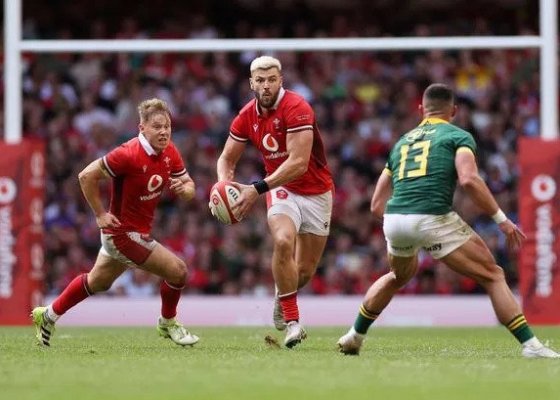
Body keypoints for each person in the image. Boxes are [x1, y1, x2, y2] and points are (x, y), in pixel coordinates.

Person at [337, 83, 559, 358]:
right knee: (493, 275)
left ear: (421, 109)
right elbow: (469, 179)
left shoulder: (401, 143)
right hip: (431, 215)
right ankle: (531, 346)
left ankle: (354, 335)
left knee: (397, 276)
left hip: (394, 219)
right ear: (453, 111)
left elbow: (375, 205)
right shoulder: (457, 136)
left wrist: (407, 221)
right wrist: (501, 219)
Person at [32, 98, 199, 347]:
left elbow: (189, 186)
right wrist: (99, 214)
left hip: (133, 232)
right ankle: (168, 322)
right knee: (179, 271)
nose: (164, 131)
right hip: (122, 234)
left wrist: (185, 191)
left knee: (98, 282)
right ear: (142, 127)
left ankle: (48, 316)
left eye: (167, 126)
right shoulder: (127, 154)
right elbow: (86, 176)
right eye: (157, 126)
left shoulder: (169, 151)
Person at [215, 56, 334, 348]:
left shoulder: (297, 107)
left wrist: (255, 189)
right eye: (260, 80)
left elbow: (299, 163)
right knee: (282, 241)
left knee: (303, 272)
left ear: (281, 80)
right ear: (251, 83)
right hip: (281, 189)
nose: (266, 85)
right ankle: (293, 324)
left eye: (271, 80)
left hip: (316, 192)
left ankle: (283, 295)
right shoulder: (246, 115)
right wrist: (223, 186)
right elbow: (227, 158)